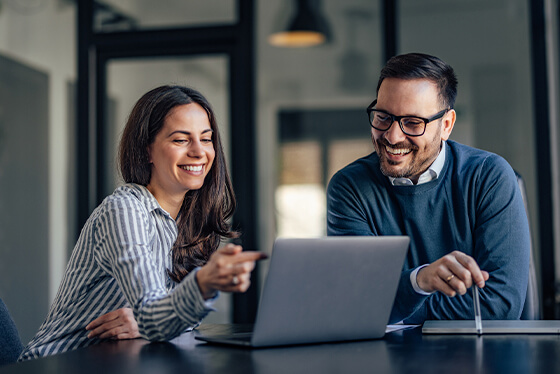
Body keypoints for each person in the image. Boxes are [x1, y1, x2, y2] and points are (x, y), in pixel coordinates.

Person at [19, 85, 266, 360]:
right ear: (147, 150)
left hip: (118, 363)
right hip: (56, 365)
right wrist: (200, 286)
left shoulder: (189, 221)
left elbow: (160, 321)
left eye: (206, 139)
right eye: (181, 140)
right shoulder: (124, 210)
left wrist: (146, 322)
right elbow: (155, 317)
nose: (199, 152)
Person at [327, 53, 530, 324]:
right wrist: (418, 281)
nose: (392, 136)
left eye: (412, 122)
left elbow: (499, 306)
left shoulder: (489, 177)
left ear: (446, 125)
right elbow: (360, 303)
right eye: (383, 117)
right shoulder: (349, 188)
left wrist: (397, 304)